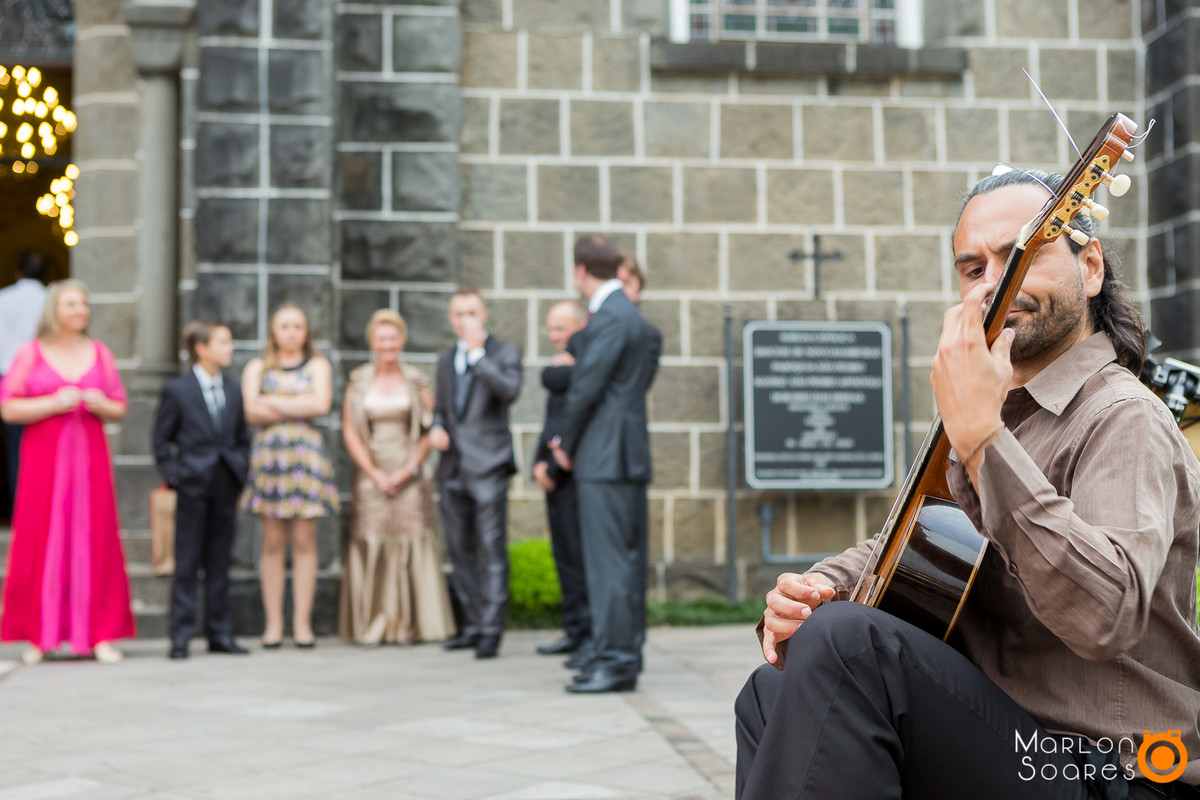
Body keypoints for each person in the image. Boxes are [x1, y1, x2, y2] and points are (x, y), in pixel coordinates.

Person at [735, 170, 1200, 799]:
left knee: (850, 647)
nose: (994, 283)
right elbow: (921, 544)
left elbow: (1106, 617)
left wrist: (983, 440)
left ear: (1089, 268)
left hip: (1115, 769)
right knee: (770, 691)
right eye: (972, 267)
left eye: (1020, 256)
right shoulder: (993, 415)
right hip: (1005, 742)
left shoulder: (1124, 417)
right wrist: (819, 587)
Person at [0, 279, 135, 665]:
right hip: (44, 460)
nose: (80, 310)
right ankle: (38, 636)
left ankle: (100, 634)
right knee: (39, 535)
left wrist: (99, 403)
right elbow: (8, 407)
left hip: (90, 461)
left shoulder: (100, 352)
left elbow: (120, 405)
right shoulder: (31, 353)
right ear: (55, 310)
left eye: (84, 304)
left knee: (97, 536)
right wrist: (53, 402)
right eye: (72, 304)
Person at [549, 234, 654, 693]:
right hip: (620, 453)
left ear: (580, 271)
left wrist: (565, 442)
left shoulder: (610, 315)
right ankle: (618, 654)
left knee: (608, 564)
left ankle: (615, 661)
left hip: (605, 455)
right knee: (620, 564)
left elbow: (586, 386)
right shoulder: (624, 313)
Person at [339, 309, 455, 647]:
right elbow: (350, 430)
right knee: (371, 538)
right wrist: (373, 472)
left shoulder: (416, 380)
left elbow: (429, 428)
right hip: (370, 472)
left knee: (411, 539)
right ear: (372, 342)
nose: (387, 344)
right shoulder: (358, 381)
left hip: (410, 471)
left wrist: (408, 470)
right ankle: (373, 623)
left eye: (393, 338)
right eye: (381, 338)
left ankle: (412, 624)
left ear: (401, 340)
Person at [430, 289, 523, 659]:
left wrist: (477, 355)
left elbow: (509, 390)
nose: (464, 320)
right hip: (452, 466)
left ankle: (491, 629)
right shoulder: (443, 361)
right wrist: (436, 426)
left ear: (483, 314)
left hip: (489, 465)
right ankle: (470, 623)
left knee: (491, 547)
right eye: (458, 314)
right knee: (459, 548)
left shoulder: (504, 353)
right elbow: (441, 408)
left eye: (471, 312)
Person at [241, 302, 340, 649]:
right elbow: (251, 410)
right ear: (273, 330)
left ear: (306, 331)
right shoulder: (257, 366)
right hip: (271, 459)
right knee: (271, 543)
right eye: (284, 326)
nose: (292, 332)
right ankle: (273, 624)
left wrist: (273, 401)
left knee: (304, 542)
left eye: (298, 326)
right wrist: (298, 401)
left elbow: (320, 405)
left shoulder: (318, 365)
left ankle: (302, 623)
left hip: (305, 458)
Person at [152, 321, 252, 660]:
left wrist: (240, 468)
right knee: (187, 559)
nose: (230, 348)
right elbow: (161, 439)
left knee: (220, 560)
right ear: (202, 348)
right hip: (193, 484)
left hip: (226, 482)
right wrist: (176, 475)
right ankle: (180, 636)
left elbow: (240, 437)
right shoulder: (177, 390)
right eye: (223, 342)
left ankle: (219, 632)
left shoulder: (234, 389)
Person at [532, 300, 590, 658]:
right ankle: (573, 631)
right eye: (551, 328)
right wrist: (539, 464)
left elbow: (572, 421)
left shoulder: (581, 368)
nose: (555, 336)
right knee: (563, 557)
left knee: (580, 558)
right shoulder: (561, 366)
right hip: (553, 476)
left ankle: (587, 635)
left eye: (561, 328)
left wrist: (553, 469)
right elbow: (549, 422)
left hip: (574, 478)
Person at [0, 251, 48, 517]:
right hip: (41, 381)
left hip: (6, 378)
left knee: (15, 447)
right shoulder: (48, 302)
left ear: (18, 272)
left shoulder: (3, 299)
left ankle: (22, 510)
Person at [616, 254, 663, 391]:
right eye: (616, 283)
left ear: (639, 290)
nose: (621, 290)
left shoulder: (649, 335)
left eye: (627, 283)